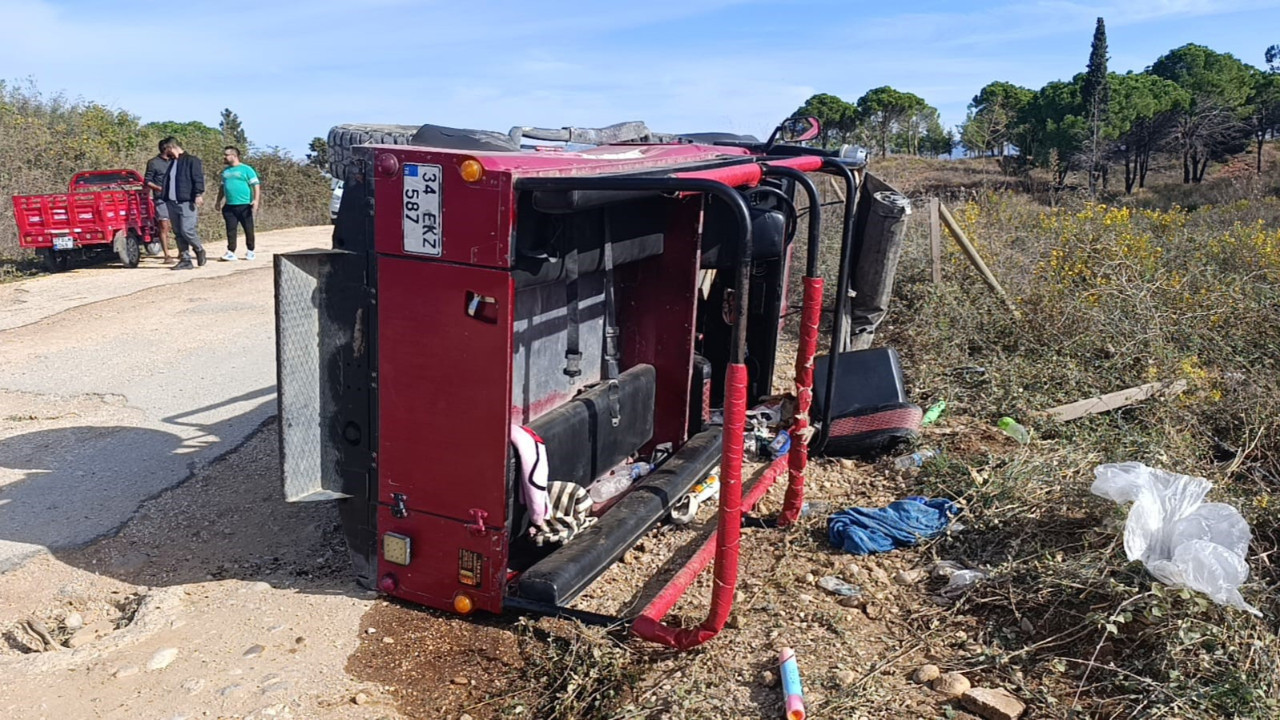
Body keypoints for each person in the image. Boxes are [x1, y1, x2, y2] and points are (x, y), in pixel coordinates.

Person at [160, 138, 206, 270]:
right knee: (178, 232)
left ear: (170, 147)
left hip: (186, 201)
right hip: (171, 202)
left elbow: (198, 178)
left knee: (187, 230)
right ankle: (185, 259)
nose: (165, 153)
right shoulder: (172, 163)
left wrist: (198, 194)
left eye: (166, 150)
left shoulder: (191, 160)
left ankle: (199, 249)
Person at [216, 146, 261, 261]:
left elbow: (256, 185)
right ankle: (231, 251)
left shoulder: (246, 169)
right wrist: (218, 201)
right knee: (230, 229)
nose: (224, 157)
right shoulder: (225, 171)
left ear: (234, 156)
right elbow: (222, 187)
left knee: (248, 228)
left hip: (244, 204)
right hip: (229, 205)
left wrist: (256, 200)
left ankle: (250, 251)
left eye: (226, 155)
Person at [143, 139, 176, 264]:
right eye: (172, 147)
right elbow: (147, 181)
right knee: (163, 225)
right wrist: (159, 188)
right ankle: (167, 255)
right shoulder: (153, 163)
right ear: (166, 148)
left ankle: (182, 251)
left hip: (176, 198)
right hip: (161, 198)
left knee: (177, 226)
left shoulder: (175, 161)